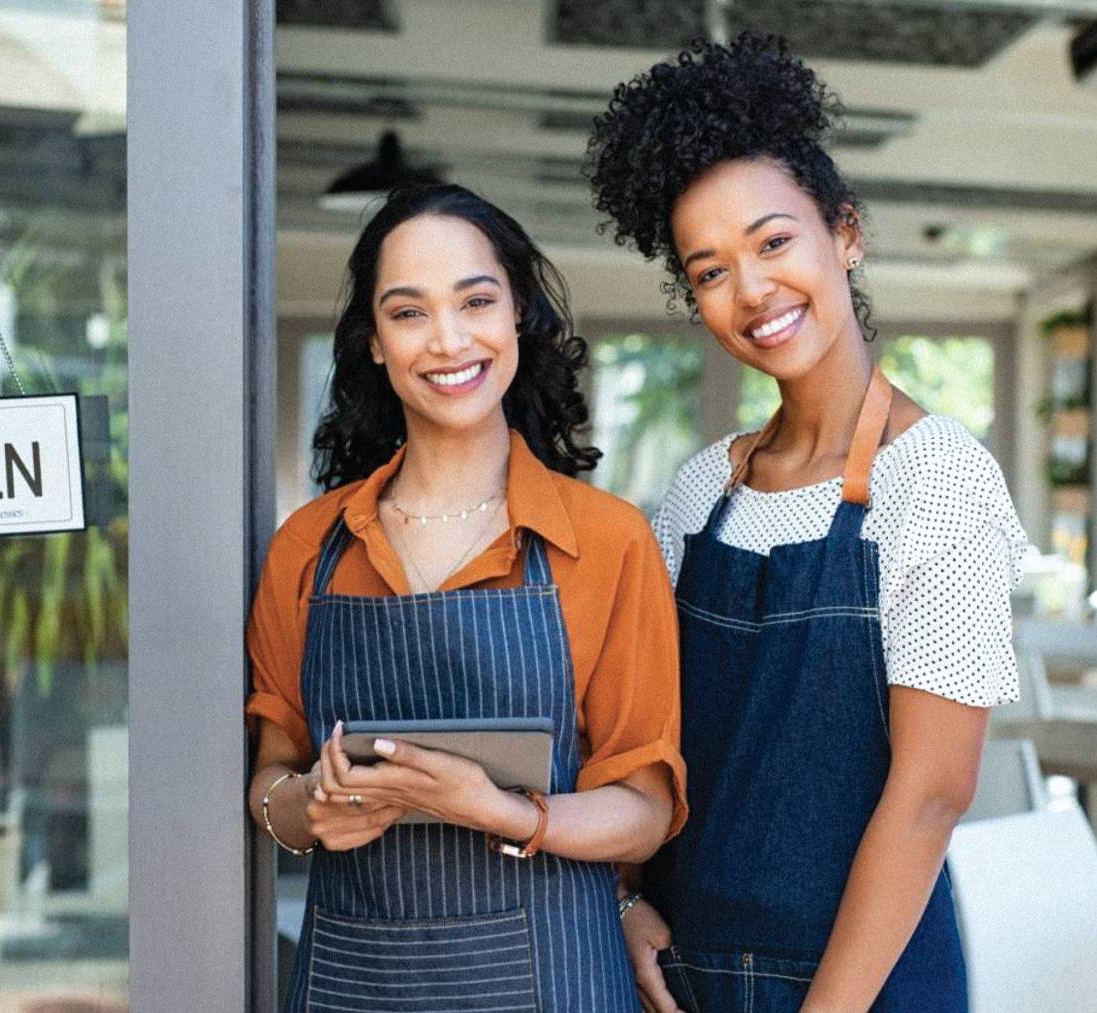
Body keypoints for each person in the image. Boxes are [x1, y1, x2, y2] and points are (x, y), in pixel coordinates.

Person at [586, 33, 1030, 1013]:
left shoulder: (938, 475)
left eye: (774, 241)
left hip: (862, 985)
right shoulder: (704, 489)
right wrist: (622, 901)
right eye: (709, 270)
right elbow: (640, 739)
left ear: (846, 232)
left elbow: (931, 795)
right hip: (679, 975)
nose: (751, 291)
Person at [245, 183, 685, 1012]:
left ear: (517, 311)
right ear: (374, 342)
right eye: (408, 312)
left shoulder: (607, 540)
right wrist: (304, 808)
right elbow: (268, 776)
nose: (448, 340)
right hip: (352, 983)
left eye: (476, 300)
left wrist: (499, 810)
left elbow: (644, 810)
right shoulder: (309, 547)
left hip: (557, 978)